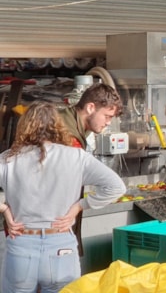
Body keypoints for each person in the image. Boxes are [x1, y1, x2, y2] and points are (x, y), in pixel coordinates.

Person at [0, 101, 126, 293]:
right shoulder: (76, 157)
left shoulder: (8, 158)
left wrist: (5, 210)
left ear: (24, 126)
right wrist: (80, 205)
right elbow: (116, 186)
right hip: (61, 246)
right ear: (57, 126)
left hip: (22, 245)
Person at [56, 82, 123, 256]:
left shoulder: (67, 120)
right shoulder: (68, 139)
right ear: (91, 107)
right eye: (107, 116)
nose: (108, 123)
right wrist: (80, 206)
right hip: (54, 229)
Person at [57, 82, 123, 150]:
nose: (108, 123)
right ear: (90, 108)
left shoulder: (70, 117)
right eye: (107, 116)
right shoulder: (69, 138)